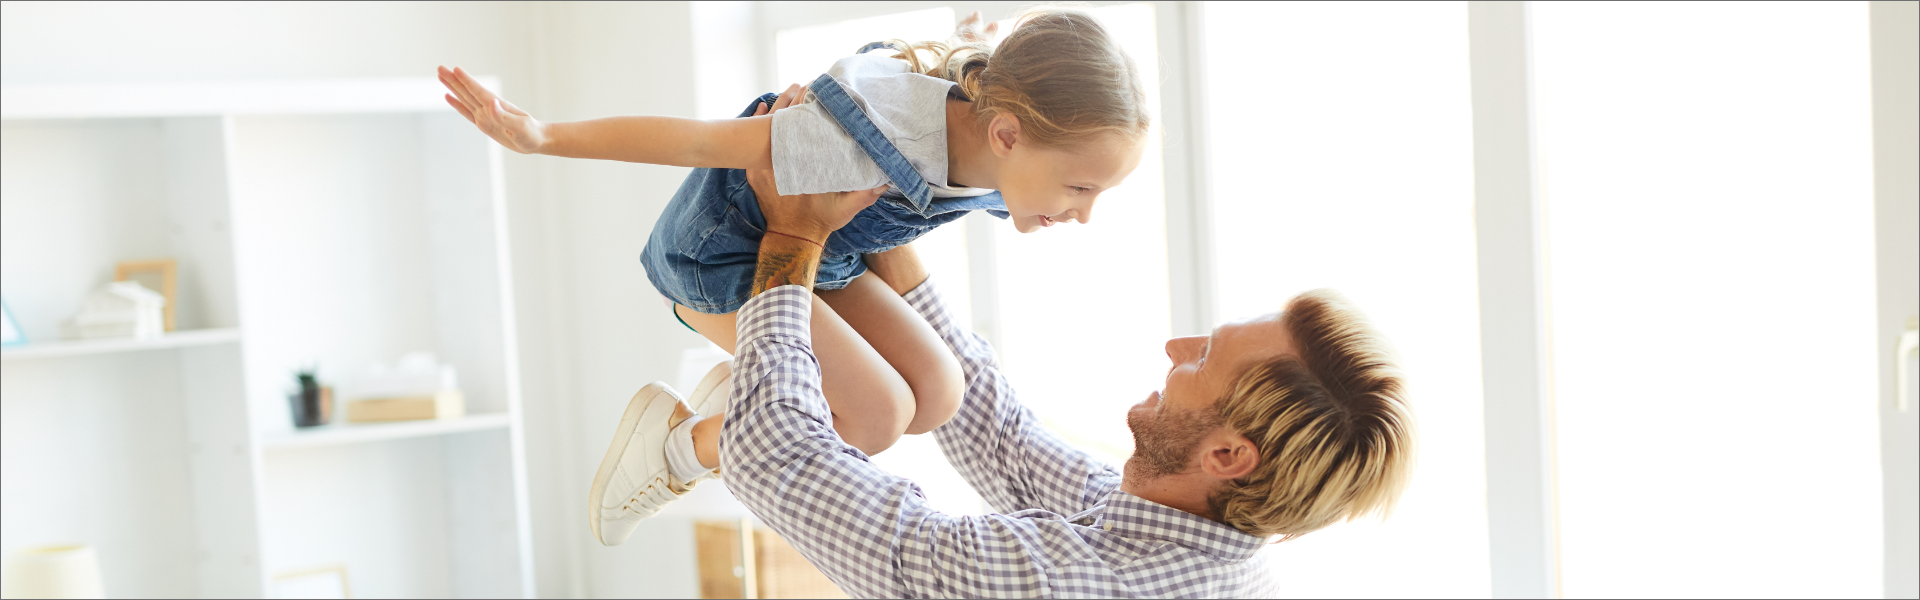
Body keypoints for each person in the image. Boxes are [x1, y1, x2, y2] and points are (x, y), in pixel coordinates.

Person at [439, 10, 1150, 545]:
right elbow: (697, 138)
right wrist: (544, 138)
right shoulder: (863, 138)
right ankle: (677, 447)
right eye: (1080, 189)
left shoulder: (1000, 125)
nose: (1082, 214)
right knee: (875, 418)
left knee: (938, 393)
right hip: (724, 263)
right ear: (1006, 136)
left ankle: (751, 389)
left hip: (823, 260)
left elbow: (985, 56)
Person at [592, 149, 1418, 595]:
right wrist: (890, 175)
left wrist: (795, 240)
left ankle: (687, 443)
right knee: (918, 395)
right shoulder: (1190, 529)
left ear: (1231, 455)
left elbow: (787, 466)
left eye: (1203, 358)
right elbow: (1007, 441)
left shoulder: (1072, 585)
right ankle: (701, 430)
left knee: (864, 417)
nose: (1176, 349)